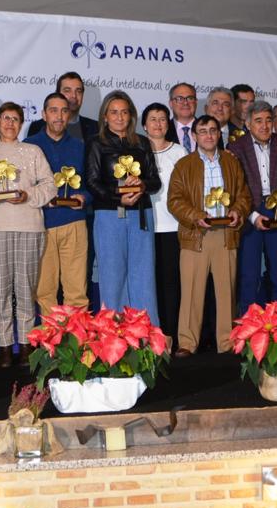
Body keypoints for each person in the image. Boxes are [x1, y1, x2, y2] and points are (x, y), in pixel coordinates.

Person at [0, 103, 55, 367]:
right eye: (6, 118)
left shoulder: (33, 152)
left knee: (25, 289)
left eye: (15, 119)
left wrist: (28, 195)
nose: (10, 123)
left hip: (28, 226)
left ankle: (25, 347)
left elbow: (50, 185)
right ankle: (4, 349)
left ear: (21, 123)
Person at [166, 115, 249, 356]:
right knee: (191, 291)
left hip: (225, 235)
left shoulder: (232, 163)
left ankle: (227, 343)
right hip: (196, 234)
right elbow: (175, 200)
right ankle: (187, 343)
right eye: (203, 131)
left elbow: (244, 195)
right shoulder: (184, 165)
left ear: (219, 134)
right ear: (194, 136)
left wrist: (238, 211)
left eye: (213, 130)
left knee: (226, 292)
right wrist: (194, 215)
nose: (209, 135)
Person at [84, 90, 161, 320]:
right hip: (109, 216)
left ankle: (146, 335)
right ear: (105, 116)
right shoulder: (96, 143)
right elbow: (91, 183)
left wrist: (141, 185)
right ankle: (113, 336)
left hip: (140, 213)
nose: (119, 117)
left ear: (131, 116)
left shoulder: (143, 143)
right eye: (114, 112)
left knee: (143, 275)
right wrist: (119, 197)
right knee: (112, 275)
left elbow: (155, 181)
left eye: (124, 112)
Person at [231, 101, 277, 315]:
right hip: (250, 212)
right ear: (248, 123)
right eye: (258, 121)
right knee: (249, 275)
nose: (264, 126)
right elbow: (235, 188)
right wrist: (252, 216)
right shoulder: (235, 147)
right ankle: (249, 329)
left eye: (268, 120)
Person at [29, 93, 92, 326]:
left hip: (74, 221)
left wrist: (83, 196)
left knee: (76, 290)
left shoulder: (81, 146)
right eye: (53, 110)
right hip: (40, 224)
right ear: (44, 114)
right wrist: (41, 197)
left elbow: (91, 183)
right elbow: (24, 188)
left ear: (70, 115)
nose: (59, 116)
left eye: (64, 111)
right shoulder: (30, 146)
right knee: (45, 290)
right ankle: (50, 346)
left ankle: (77, 344)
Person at [142, 102, 187, 343]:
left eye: (162, 119)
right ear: (144, 125)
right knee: (149, 283)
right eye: (153, 119)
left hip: (173, 227)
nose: (158, 124)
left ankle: (173, 334)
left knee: (172, 283)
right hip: (145, 226)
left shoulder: (179, 152)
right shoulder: (137, 151)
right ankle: (153, 335)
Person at [26, 72, 99, 140]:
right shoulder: (37, 127)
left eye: (78, 91)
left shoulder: (96, 127)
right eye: (67, 90)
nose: (74, 96)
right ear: (58, 93)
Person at [164, 82, 199, 152]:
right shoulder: (163, 131)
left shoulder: (210, 130)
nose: (185, 103)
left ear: (196, 102)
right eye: (180, 99)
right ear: (170, 104)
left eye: (190, 98)